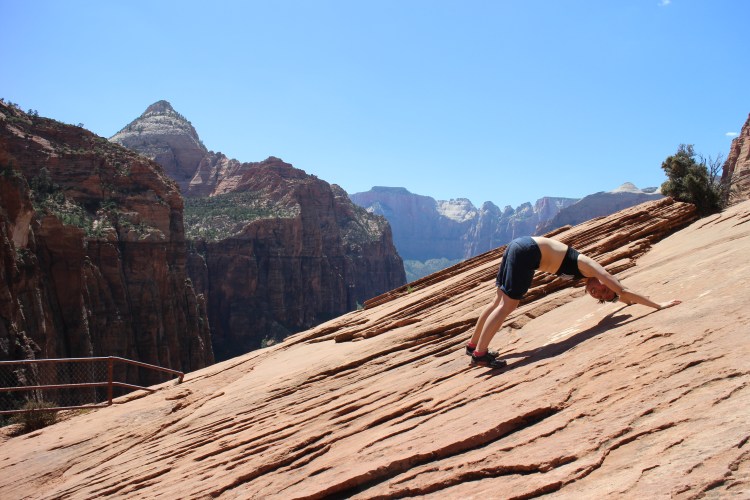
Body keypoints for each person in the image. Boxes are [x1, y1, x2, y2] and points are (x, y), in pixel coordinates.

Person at [467, 236, 682, 368]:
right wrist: (658, 305)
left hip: (520, 246)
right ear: (608, 280)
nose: (598, 292)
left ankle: (473, 346)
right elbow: (624, 291)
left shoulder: (590, 275)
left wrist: (624, 303)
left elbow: (622, 297)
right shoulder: (596, 269)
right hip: (526, 252)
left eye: (600, 297)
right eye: (604, 290)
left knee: (499, 300)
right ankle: (481, 355)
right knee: (509, 305)